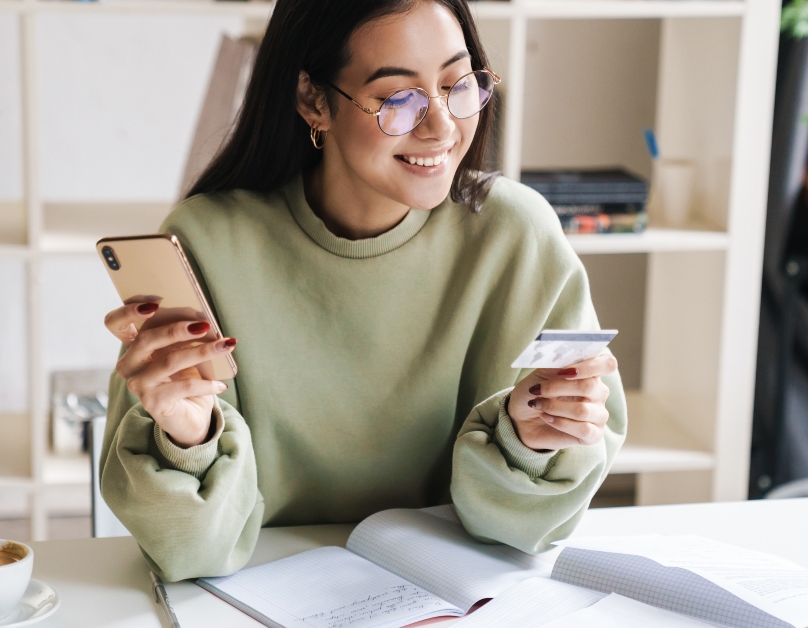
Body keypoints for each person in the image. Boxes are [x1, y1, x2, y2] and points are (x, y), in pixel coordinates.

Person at [99, 0, 627, 580]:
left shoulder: (516, 235)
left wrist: (532, 440)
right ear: (313, 100)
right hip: (259, 594)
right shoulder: (206, 241)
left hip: (453, 593)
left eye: (457, 84)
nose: (441, 127)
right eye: (399, 98)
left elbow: (525, 534)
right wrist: (189, 437)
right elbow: (191, 553)